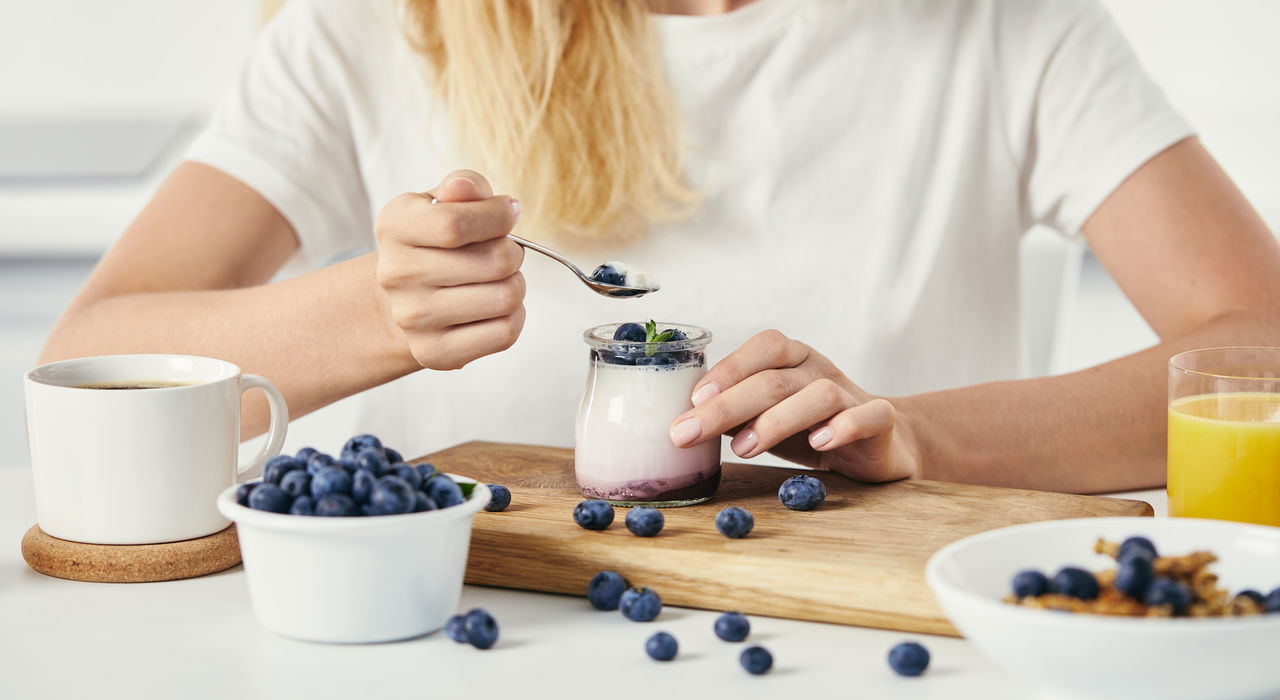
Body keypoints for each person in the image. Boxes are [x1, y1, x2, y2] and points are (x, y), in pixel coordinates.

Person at [41, 0, 1280, 494]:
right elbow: (90, 360)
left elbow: (1261, 348)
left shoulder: (1003, 29)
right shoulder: (370, 30)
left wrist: (918, 434)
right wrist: (377, 312)